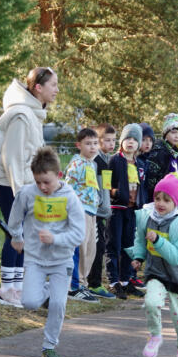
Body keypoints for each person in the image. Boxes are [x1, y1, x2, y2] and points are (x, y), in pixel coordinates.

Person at [0, 67, 59, 307]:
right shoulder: (21, 115)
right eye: (53, 85)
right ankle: (7, 289)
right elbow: (13, 159)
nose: (57, 90)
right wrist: (20, 195)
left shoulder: (32, 113)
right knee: (15, 229)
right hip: (7, 180)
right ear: (38, 87)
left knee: (23, 231)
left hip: (21, 181)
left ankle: (17, 287)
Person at [8, 146, 85, 357]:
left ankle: (49, 348)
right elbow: (14, 218)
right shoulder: (27, 193)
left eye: (47, 182)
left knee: (58, 305)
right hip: (35, 258)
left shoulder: (70, 198)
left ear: (58, 175)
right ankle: (51, 294)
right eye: (38, 182)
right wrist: (16, 236)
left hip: (62, 260)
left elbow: (79, 234)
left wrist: (56, 239)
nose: (42, 187)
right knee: (30, 302)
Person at [126, 174, 178, 357]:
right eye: (157, 198)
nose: (160, 203)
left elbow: (176, 257)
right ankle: (155, 335)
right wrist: (138, 257)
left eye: (166, 200)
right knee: (151, 302)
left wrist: (158, 241)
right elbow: (141, 240)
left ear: (175, 202)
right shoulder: (147, 217)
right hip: (156, 272)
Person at [106, 123, 146, 299]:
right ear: (121, 141)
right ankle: (113, 282)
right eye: (127, 138)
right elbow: (106, 183)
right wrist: (115, 193)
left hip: (132, 210)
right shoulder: (114, 160)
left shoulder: (140, 164)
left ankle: (125, 280)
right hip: (116, 209)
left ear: (139, 144)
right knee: (114, 245)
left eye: (134, 139)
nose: (131, 142)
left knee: (129, 247)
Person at [65, 128, 100, 303]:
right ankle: (74, 285)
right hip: (80, 210)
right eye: (88, 144)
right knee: (81, 247)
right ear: (79, 145)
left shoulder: (91, 164)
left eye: (95, 143)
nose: (92, 147)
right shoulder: (77, 164)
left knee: (91, 248)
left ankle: (83, 282)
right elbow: (68, 187)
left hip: (92, 210)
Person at [87, 123, 117, 299]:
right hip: (95, 212)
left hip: (104, 211)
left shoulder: (106, 160)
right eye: (107, 140)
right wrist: (100, 205)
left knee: (100, 247)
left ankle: (94, 281)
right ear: (98, 141)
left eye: (113, 140)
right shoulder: (96, 161)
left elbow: (105, 186)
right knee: (97, 248)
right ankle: (94, 283)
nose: (111, 144)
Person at [144, 113, 178, 202]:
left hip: (170, 197)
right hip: (157, 198)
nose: (177, 136)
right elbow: (151, 178)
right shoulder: (159, 151)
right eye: (173, 132)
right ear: (165, 134)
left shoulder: (175, 153)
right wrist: (156, 198)